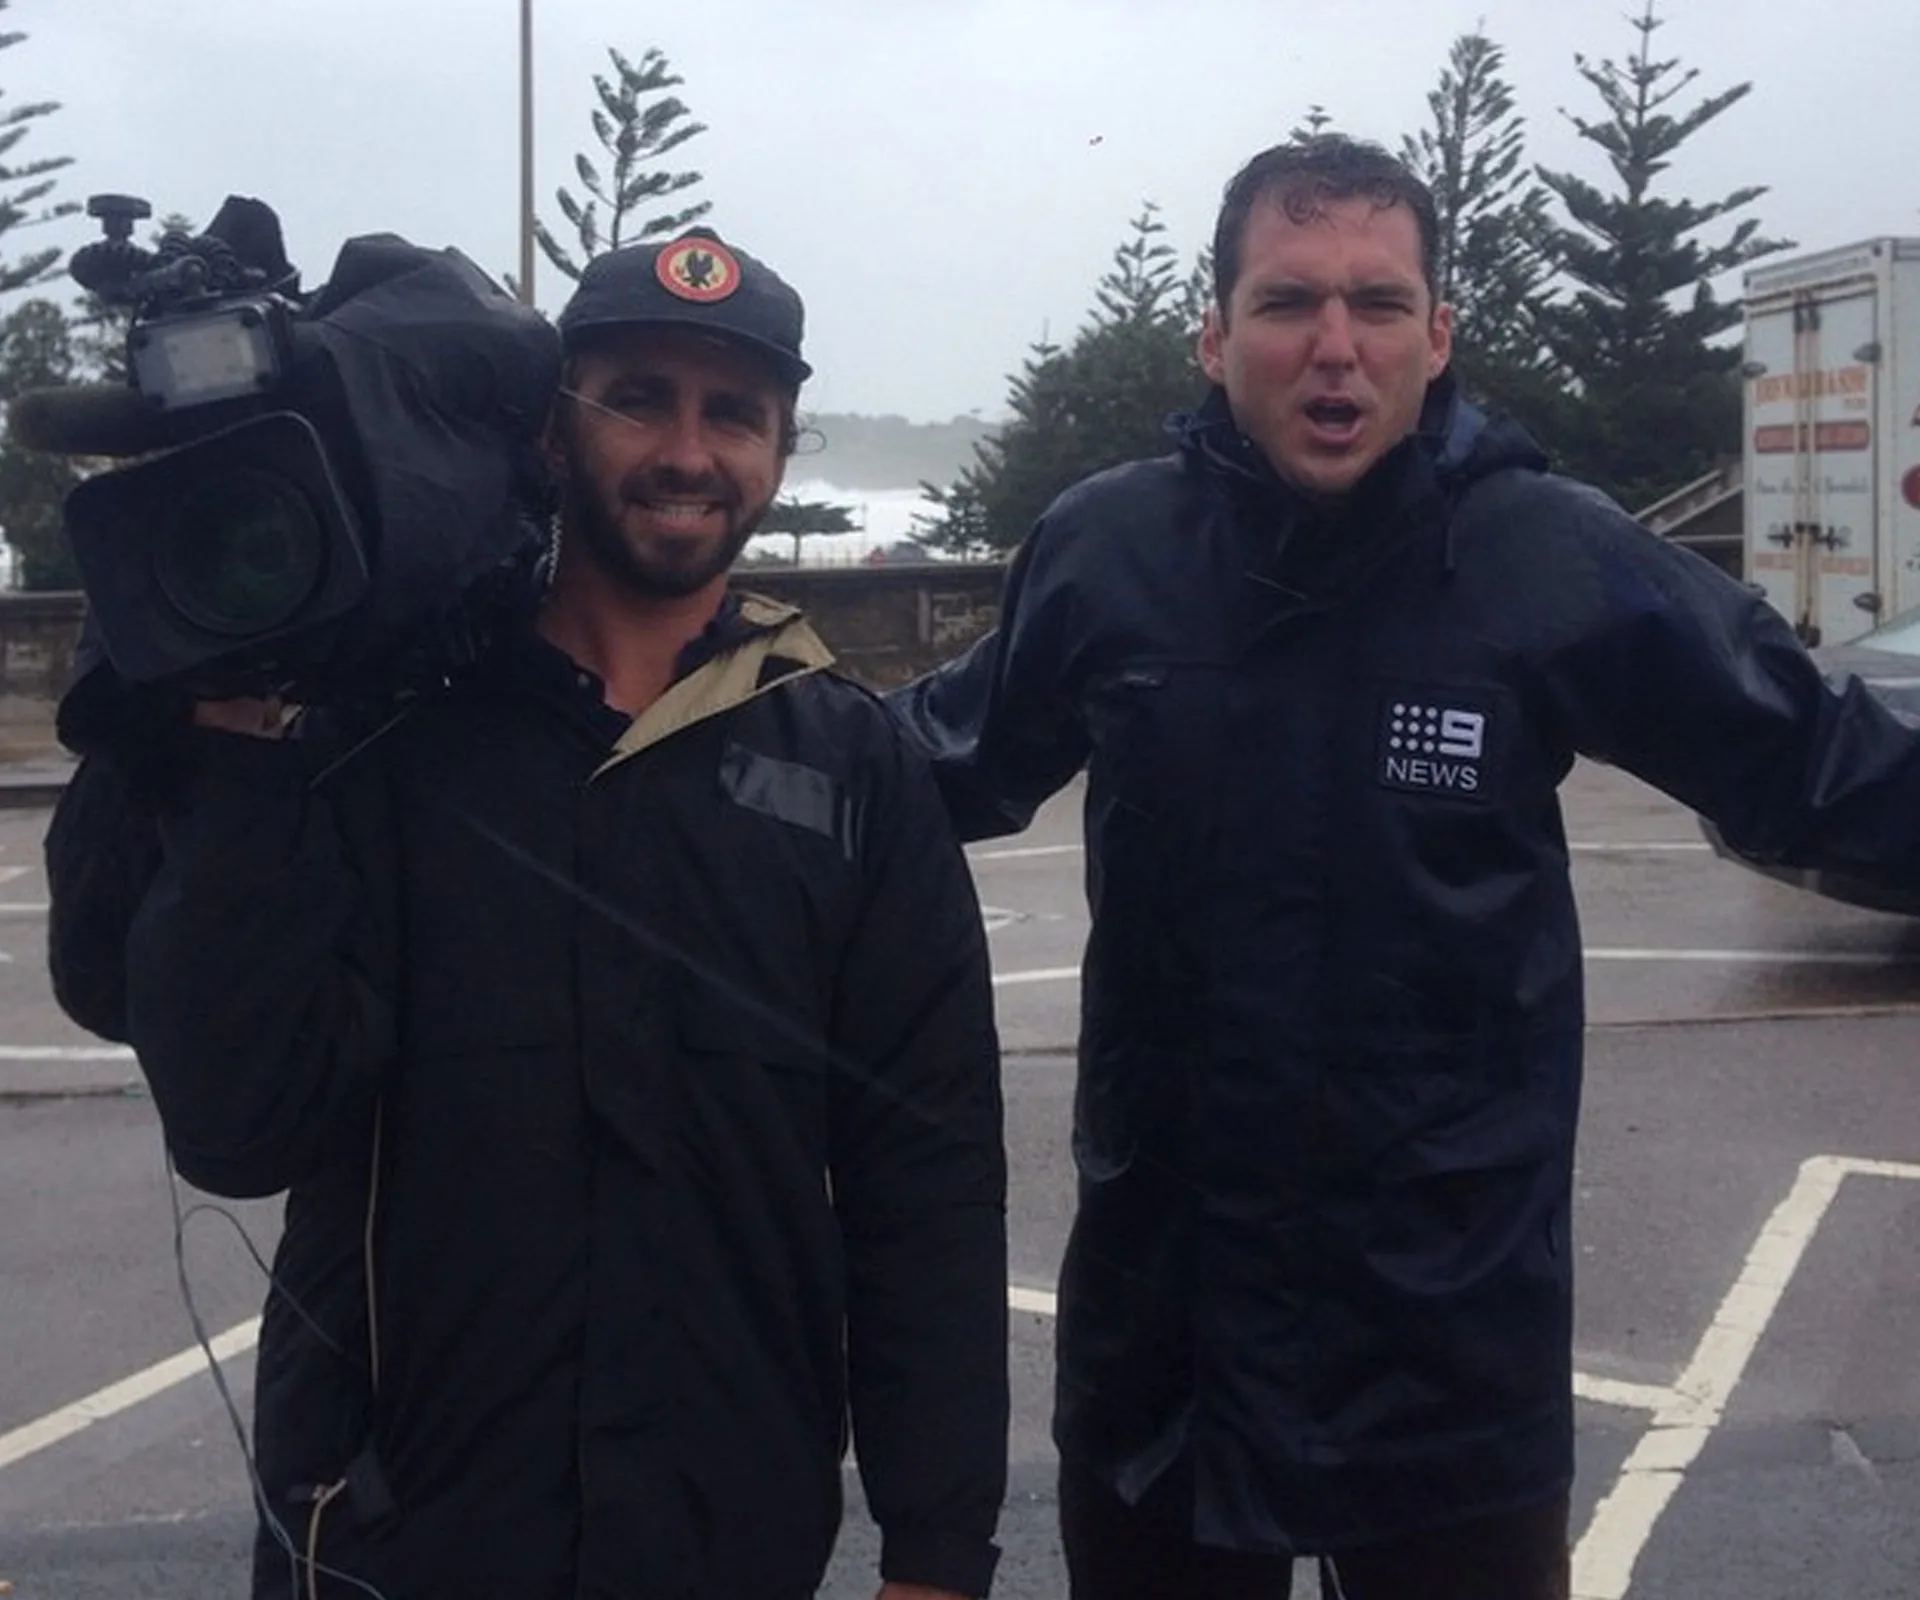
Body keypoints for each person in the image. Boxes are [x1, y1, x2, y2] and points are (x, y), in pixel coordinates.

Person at [890, 134, 1920, 1599]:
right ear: (1214, 335)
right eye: (1287, 301)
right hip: (1164, 1348)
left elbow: (1813, 767)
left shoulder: (1547, 557)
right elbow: (934, 760)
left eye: (1379, 305)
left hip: (1451, 1355)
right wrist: (682, 747)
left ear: (1438, 338)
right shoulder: (1108, 551)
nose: (1334, 345)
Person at [46, 229, 1009, 1600]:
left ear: (782, 450)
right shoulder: (377, 726)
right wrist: (233, 707)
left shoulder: (855, 772)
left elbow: (933, 1186)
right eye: (636, 397)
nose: (687, 449)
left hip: (723, 1536)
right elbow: (241, 1126)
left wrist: (935, 1549)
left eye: (732, 412)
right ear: (550, 433)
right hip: (388, 1539)